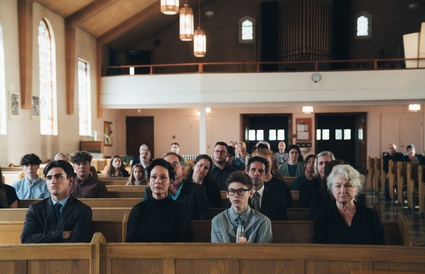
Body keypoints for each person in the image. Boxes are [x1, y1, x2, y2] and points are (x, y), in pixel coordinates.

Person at [21, 160, 93, 243]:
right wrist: (61, 234)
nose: (53, 181)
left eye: (58, 177)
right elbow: (26, 239)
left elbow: (77, 243)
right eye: (49, 178)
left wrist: (43, 238)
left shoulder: (82, 210)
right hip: (40, 255)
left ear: (70, 181)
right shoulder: (35, 209)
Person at [312, 164, 385, 244]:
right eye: (338, 186)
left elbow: (381, 247)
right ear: (331, 189)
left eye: (348, 186)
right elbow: (319, 249)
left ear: (356, 189)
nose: (343, 191)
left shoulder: (371, 216)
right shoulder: (322, 217)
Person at [126, 159, 192, 242]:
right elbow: (130, 245)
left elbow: (186, 245)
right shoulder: (138, 210)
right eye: (153, 177)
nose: (158, 181)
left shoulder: (180, 211)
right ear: (149, 181)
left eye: (163, 177)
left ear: (170, 182)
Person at [143, 152, 210, 220]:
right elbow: (146, 217)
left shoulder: (198, 190)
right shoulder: (150, 191)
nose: (171, 168)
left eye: (175, 164)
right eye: (167, 165)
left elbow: (204, 220)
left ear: (183, 168)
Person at [211, 171, 272, 243]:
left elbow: (263, 252)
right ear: (227, 194)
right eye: (232, 191)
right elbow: (217, 252)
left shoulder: (263, 222)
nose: (236, 195)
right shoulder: (218, 221)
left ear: (251, 193)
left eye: (241, 191)